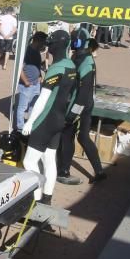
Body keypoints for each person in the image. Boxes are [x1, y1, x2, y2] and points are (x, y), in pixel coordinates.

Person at [20, 30, 78, 204]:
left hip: (46, 120)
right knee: (49, 160)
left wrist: (30, 121)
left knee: (29, 162)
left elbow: (43, 99)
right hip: (60, 119)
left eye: (50, 44)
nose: (48, 47)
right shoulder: (71, 66)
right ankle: (47, 198)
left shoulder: (56, 68)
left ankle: (35, 199)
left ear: (56, 46)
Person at [56, 39, 106, 185]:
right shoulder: (82, 58)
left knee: (68, 137)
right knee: (82, 137)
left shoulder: (86, 63)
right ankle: (99, 171)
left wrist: (72, 114)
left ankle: (64, 171)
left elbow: (83, 94)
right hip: (83, 104)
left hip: (80, 105)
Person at [15, 31, 48, 131]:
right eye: (43, 42)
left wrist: (39, 76)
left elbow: (37, 66)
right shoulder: (27, 51)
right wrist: (25, 81)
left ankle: (30, 124)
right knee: (22, 107)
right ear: (38, 41)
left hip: (36, 84)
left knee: (34, 106)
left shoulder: (37, 51)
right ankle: (20, 127)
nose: (44, 45)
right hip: (27, 85)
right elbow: (19, 67)